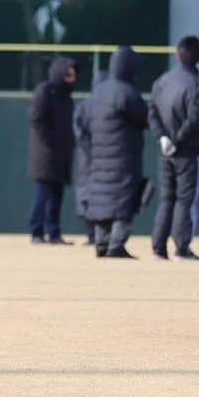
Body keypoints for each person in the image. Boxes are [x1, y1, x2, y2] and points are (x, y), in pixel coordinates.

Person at [83, 46, 148, 259]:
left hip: (98, 156)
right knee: (123, 201)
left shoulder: (97, 92)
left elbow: (84, 122)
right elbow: (143, 117)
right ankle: (116, 244)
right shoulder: (127, 92)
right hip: (123, 156)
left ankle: (101, 243)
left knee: (102, 199)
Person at [148, 35, 199, 261]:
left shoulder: (161, 82)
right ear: (198, 56)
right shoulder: (198, 86)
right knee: (186, 199)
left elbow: (152, 112)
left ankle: (158, 247)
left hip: (165, 152)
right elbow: (194, 120)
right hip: (187, 152)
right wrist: (176, 141)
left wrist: (162, 138)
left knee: (166, 198)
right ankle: (182, 248)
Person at [27, 56, 78, 245]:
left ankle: (54, 233)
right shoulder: (44, 91)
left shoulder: (67, 97)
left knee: (57, 196)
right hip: (46, 155)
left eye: (73, 74)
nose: (72, 78)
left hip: (63, 154)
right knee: (42, 194)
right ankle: (36, 233)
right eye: (68, 74)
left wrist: (69, 142)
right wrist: (51, 142)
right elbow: (36, 119)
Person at [73, 69, 108, 245]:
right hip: (101, 157)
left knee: (88, 195)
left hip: (89, 156)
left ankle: (93, 236)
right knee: (98, 194)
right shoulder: (105, 106)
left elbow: (78, 131)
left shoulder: (83, 106)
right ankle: (96, 235)